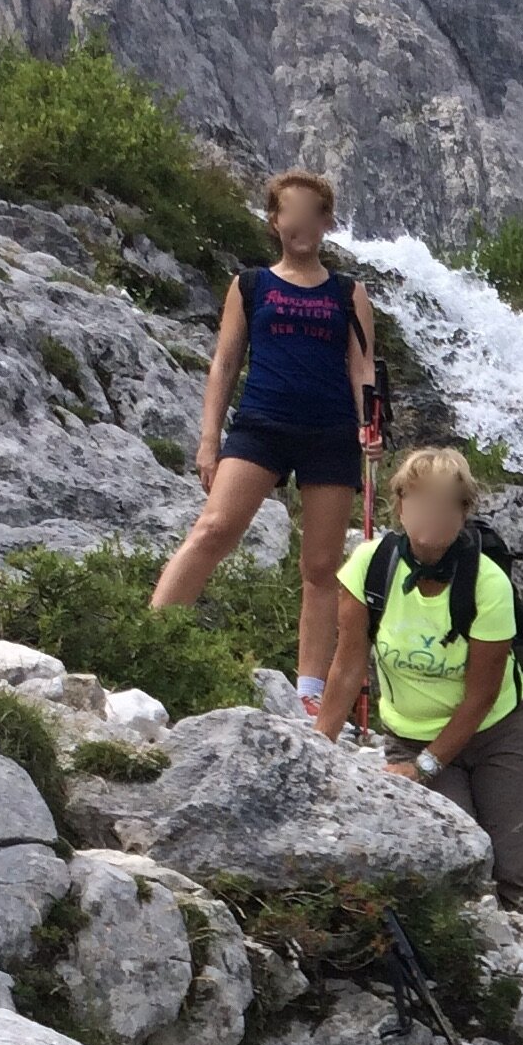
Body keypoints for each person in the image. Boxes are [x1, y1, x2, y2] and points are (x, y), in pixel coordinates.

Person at [151, 169, 379, 710]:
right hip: (261, 424)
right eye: (288, 215)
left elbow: (363, 367)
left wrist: (371, 425)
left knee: (322, 566)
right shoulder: (251, 284)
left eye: (310, 215)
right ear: (274, 221)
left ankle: (310, 692)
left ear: (326, 222)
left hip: (330, 433)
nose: (298, 226)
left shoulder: (349, 293)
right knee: (212, 527)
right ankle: (151, 638)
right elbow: (225, 362)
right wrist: (209, 438)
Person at [313, 446, 523, 927]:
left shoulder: (487, 584)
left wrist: (425, 766)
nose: (431, 515)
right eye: (420, 501)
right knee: (454, 870)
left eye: (445, 504)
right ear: (401, 505)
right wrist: (319, 750)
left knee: (521, 873)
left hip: (500, 734)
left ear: (463, 512)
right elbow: (347, 667)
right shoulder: (370, 566)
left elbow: (481, 695)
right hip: (410, 735)